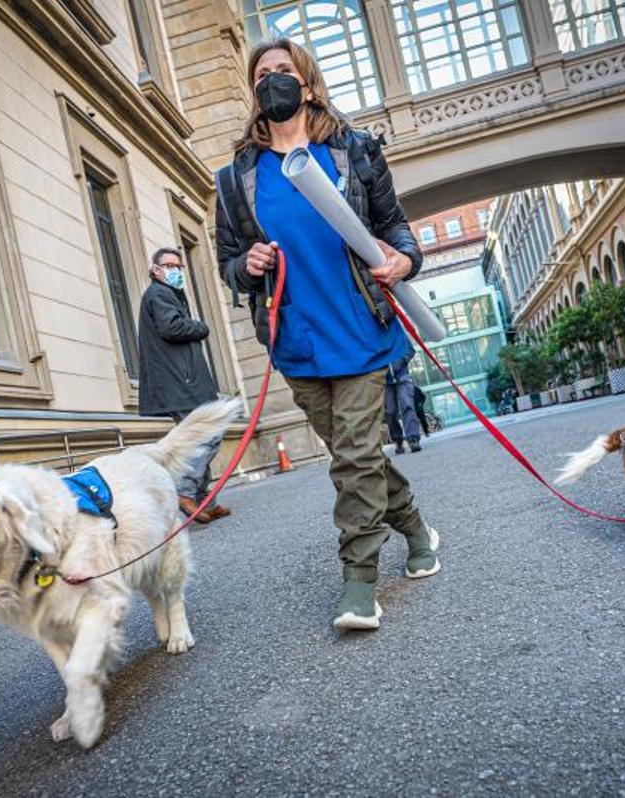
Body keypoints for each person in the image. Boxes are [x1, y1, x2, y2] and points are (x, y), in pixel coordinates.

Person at [215, 38, 439, 632]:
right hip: (297, 341)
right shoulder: (235, 178)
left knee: (355, 458)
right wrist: (250, 264)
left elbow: (395, 227)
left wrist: (404, 262)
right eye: (262, 75)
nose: (273, 82)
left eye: (283, 72)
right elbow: (228, 263)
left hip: (363, 327)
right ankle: (415, 527)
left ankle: (360, 581)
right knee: (353, 455)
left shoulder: (353, 151)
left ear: (308, 84)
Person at [138, 247, 230, 524]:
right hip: (181, 382)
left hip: (183, 381)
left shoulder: (168, 294)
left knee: (199, 437)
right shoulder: (159, 294)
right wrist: (200, 327)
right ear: (155, 270)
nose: (176, 270)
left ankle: (203, 502)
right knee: (205, 435)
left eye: (179, 266)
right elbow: (172, 328)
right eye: (169, 265)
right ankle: (185, 491)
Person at [384, 354, 422, 453]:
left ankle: (413, 438)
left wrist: (401, 360)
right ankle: (398, 440)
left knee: (407, 405)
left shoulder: (398, 337)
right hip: (385, 380)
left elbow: (410, 349)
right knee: (390, 411)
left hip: (402, 375)